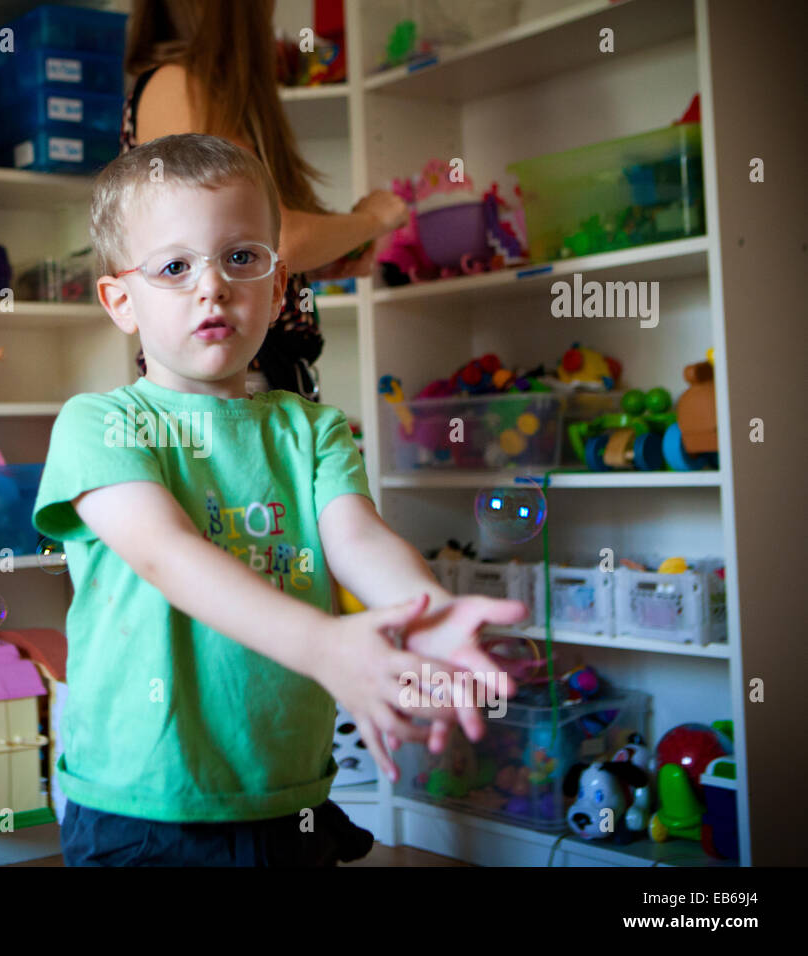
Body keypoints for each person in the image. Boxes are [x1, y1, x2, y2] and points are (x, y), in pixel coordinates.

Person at [32, 134, 528, 866]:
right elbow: (168, 555)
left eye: (241, 258)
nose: (213, 286)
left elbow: (357, 539)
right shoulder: (99, 424)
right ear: (120, 300)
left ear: (278, 281)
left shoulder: (314, 427)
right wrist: (326, 646)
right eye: (174, 267)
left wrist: (429, 615)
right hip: (143, 804)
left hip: (288, 793)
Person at [120, 0, 409, 400]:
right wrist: (375, 219)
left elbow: (246, 247)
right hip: (227, 393)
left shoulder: (206, 93)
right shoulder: (176, 85)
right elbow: (280, 241)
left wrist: (313, 265)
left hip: (254, 387)